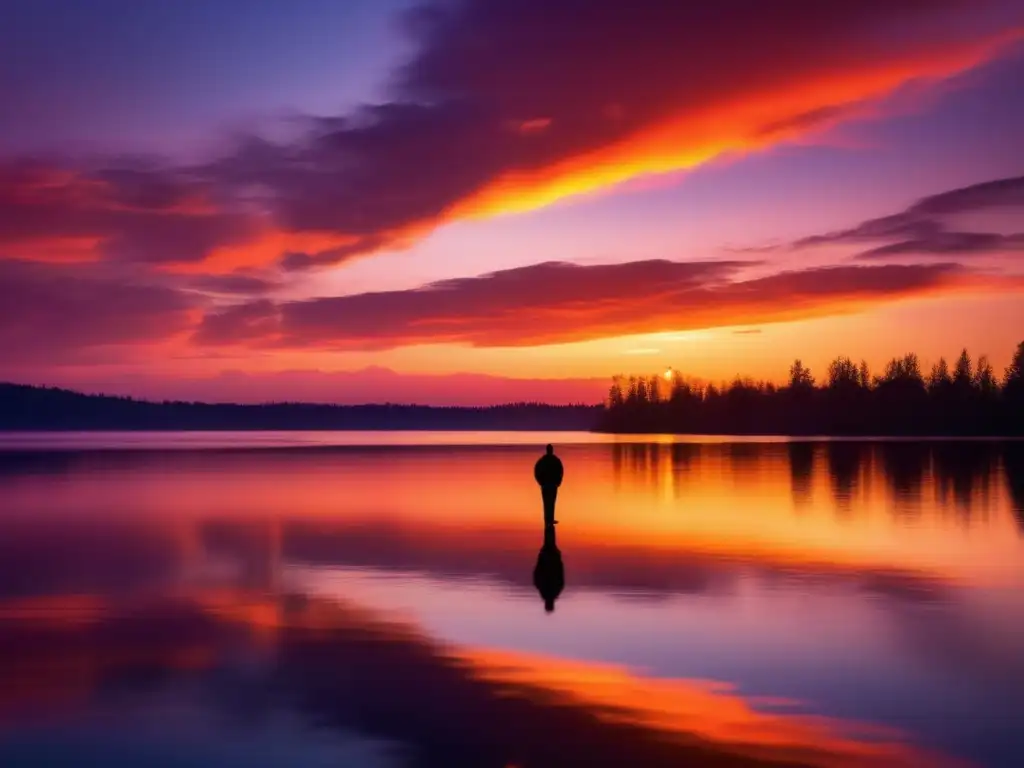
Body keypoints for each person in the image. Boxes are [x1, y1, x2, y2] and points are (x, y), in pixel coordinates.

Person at [534, 444, 564, 525]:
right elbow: (536, 470)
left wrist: (559, 481)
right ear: (550, 450)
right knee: (549, 502)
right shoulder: (554, 460)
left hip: (550, 485)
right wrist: (540, 482)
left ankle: (549, 519)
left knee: (549, 502)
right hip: (548, 485)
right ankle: (548, 520)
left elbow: (561, 471)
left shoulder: (545, 460)